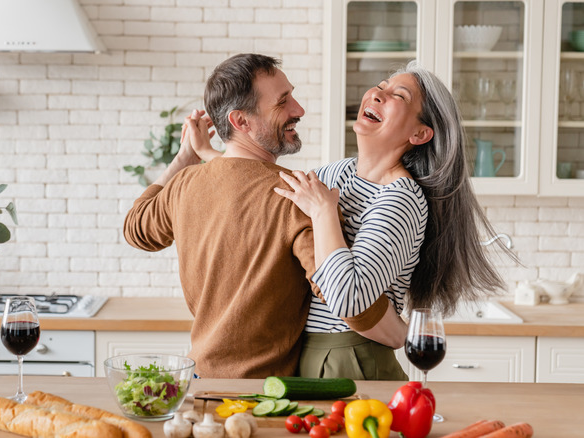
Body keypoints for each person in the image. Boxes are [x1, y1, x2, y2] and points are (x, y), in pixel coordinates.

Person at [190, 60, 512, 379]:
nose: (376, 94)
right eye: (381, 86)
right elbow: (267, 191)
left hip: (354, 358)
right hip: (306, 356)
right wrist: (208, 153)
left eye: (398, 96)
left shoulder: (401, 198)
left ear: (419, 133)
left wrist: (324, 213)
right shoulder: (336, 173)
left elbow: (350, 299)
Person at [123, 53, 398, 378]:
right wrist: (407, 335)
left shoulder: (185, 184)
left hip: (199, 382)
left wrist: (184, 158)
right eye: (283, 102)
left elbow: (136, 228)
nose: (299, 109)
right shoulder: (296, 197)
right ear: (241, 121)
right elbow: (349, 302)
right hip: (262, 397)